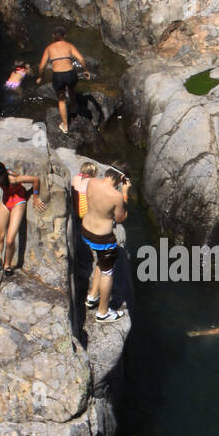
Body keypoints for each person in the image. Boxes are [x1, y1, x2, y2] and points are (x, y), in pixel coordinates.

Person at [79, 167, 130, 322]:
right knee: (108, 272)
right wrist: (125, 192)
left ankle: (92, 296)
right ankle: (103, 312)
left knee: (101, 261)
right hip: (102, 238)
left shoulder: (91, 182)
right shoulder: (116, 196)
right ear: (121, 177)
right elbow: (120, 218)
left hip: (86, 230)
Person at [0, 159, 45, 273]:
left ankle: (7, 265)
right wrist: (8, 169)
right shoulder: (2, 173)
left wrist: (36, 196)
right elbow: (6, 167)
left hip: (18, 202)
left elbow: (35, 180)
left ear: (2, 175)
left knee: (9, 240)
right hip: (6, 200)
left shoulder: (14, 179)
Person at [38, 27, 89, 135]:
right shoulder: (69, 46)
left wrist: (40, 77)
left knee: (61, 99)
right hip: (71, 74)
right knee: (71, 88)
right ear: (65, 36)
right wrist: (85, 70)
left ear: (53, 36)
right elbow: (81, 59)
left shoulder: (49, 48)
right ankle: (74, 106)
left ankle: (65, 125)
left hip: (59, 76)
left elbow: (41, 66)